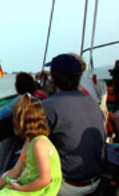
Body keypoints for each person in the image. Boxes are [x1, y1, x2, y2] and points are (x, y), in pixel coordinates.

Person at [42, 54, 106, 196]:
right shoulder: (91, 103)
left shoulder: (49, 106)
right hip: (96, 181)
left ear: (52, 78)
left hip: (69, 186)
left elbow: (34, 144)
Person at [0, 94, 62, 195]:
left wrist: (21, 189)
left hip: (39, 190)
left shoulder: (39, 145)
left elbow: (44, 180)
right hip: (27, 183)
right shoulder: (29, 141)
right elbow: (16, 170)